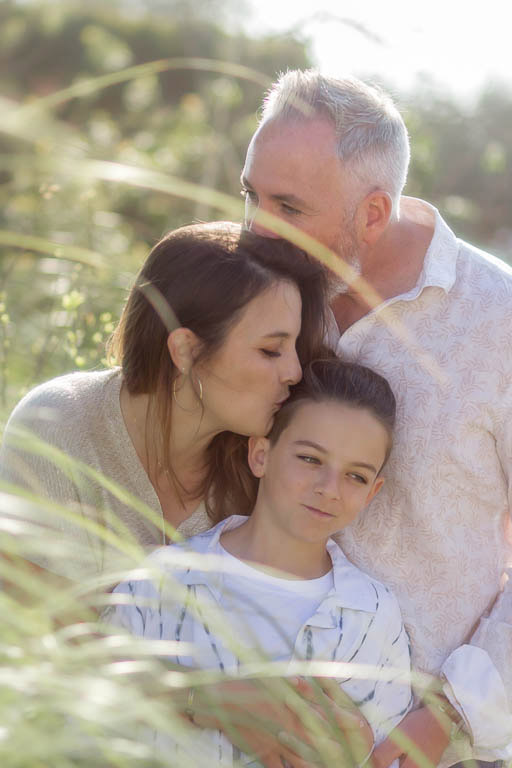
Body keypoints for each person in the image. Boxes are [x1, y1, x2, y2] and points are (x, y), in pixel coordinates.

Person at [241, 69, 512, 768]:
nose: (253, 229)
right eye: (251, 195)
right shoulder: (248, 293)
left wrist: (441, 723)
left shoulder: (500, 322)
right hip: (245, 730)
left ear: (371, 213)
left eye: (288, 206)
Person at [106, 357, 413, 768]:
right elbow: (94, 714)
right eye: (310, 459)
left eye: (355, 476)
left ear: (373, 492)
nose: (329, 489)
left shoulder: (372, 617)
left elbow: (384, 757)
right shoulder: (164, 580)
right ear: (261, 455)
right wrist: (199, 699)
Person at [0, 221, 328, 580]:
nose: (294, 371)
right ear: (185, 350)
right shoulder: (55, 426)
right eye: (270, 350)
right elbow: (37, 616)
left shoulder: (261, 470)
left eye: (293, 348)